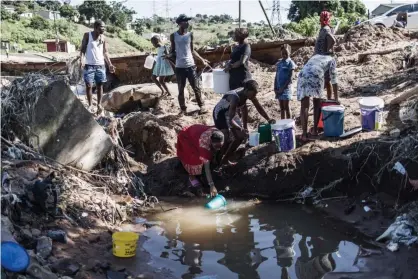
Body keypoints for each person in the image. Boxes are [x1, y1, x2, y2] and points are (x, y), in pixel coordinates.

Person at [213, 80, 275, 166]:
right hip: (221, 113)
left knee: (240, 137)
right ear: (246, 90)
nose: (254, 96)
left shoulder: (247, 94)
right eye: (253, 94)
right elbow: (230, 120)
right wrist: (240, 128)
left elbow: (257, 108)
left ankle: (226, 159)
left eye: (255, 94)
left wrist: (268, 119)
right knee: (225, 137)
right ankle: (217, 159)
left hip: (231, 112)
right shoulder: (235, 98)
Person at [167, 14, 210, 115]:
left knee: (196, 87)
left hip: (190, 65)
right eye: (185, 21)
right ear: (179, 23)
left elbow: (192, 50)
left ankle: (202, 106)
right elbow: (173, 51)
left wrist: (202, 59)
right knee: (181, 89)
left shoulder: (190, 35)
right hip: (179, 67)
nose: (187, 23)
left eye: (187, 21)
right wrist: (168, 56)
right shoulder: (173, 36)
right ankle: (183, 109)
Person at [296, 54, 338, 142]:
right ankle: (315, 130)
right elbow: (334, 80)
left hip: (303, 74)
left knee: (304, 105)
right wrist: (336, 99)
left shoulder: (316, 56)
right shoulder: (332, 59)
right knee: (317, 103)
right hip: (316, 73)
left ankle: (304, 135)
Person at [176, 124, 224, 197]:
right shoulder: (204, 145)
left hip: (195, 132)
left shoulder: (219, 134)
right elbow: (207, 168)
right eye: (216, 146)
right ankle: (192, 177)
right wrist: (212, 185)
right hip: (186, 137)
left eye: (220, 146)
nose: (219, 149)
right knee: (195, 159)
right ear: (211, 141)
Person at [80, 20, 115, 115]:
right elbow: (83, 49)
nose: (103, 29)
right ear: (95, 28)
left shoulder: (103, 38)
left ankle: (99, 105)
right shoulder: (87, 35)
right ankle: (90, 105)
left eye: (104, 27)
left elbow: (105, 52)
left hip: (100, 65)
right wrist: (81, 60)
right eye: (101, 27)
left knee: (100, 86)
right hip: (89, 65)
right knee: (88, 85)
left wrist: (110, 64)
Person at [314, 11, 336, 100]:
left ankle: (329, 99)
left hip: (324, 59)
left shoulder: (326, 29)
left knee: (326, 80)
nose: (320, 20)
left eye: (321, 18)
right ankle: (325, 98)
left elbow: (333, 40)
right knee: (325, 80)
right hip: (321, 58)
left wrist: (327, 50)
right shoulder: (323, 29)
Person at [274, 44, 296, 120]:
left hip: (286, 88)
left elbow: (291, 77)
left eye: (286, 53)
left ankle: (289, 124)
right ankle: (283, 123)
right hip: (279, 88)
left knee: (286, 106)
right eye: (282, 53)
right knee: (282, 108)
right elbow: (276, 76)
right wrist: (275, 87)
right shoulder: (279, 63)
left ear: (290, 52)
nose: (284, 55)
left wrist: (283, 88)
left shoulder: (290, 63)